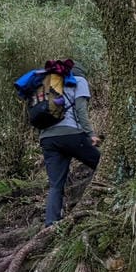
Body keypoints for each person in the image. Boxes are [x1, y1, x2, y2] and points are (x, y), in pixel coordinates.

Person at [38, 58, 101, 226]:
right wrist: (91, 134)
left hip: (47, 139)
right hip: (71, 134)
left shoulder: (47, 83)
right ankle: (112, 195)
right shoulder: (79, 80)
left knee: (56, 185)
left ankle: (51, 223)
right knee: (102, 163)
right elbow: (80, 110)